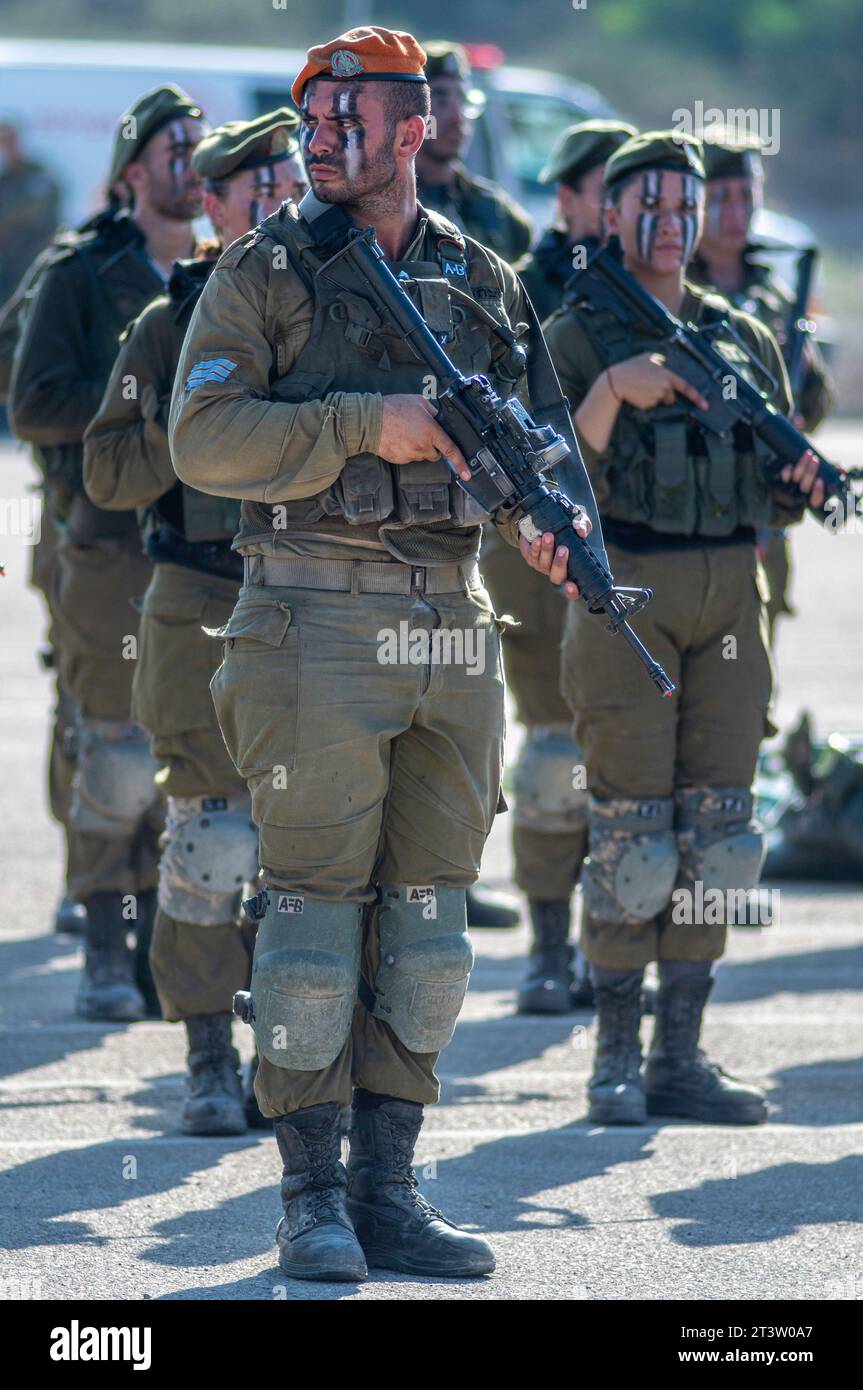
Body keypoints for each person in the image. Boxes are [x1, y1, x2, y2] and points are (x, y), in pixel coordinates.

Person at [169, 25, 589, 1282]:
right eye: (311, 117)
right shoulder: (264, 269)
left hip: (451, 621)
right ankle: (310, 1202)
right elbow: (202, 438)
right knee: (308, 922)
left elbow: (548, 442)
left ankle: (390, 1191)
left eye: (346, 116)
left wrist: (550, 523)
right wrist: (373, 424)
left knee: (428, 927)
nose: (320, 137)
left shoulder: (479, 273)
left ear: (412, 129)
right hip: (311, 614)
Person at [537, 132, 825, 1126]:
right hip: (628, 592)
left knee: (717, 836)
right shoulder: (575, 332)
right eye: (646, 205)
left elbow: (772, 488)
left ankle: (679, 1057)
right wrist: (612, 391)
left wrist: (794, 481)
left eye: (684, 206)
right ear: (610, 216)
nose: (668, 223)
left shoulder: (738, 335)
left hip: (728, 596)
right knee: (631, 835)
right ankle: (613, 1055)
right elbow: (543, 476)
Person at [83, 110, 305, 1132]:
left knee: (307, 851)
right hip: (197, 596)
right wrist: (200, 433)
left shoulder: (336, 308)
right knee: (212, 841)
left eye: (285, 183)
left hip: (312, 600)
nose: (270, 202)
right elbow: (104, 469)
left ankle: (291, 1058)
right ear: (209, 206)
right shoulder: (166, 324)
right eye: (247, 188)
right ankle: (208, 1057)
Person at [9, 85, 206, 1021]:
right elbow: (34, 404)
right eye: (174, 150)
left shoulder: (226, 271)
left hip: (200, 547)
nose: (192, 164)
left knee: (187, 759)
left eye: (199, 149)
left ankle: (162, 943)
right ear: (132, 172)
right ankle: (101, 944)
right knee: (113, 754)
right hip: (102, 542)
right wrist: (138, 407)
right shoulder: (82, 274)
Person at [484, 120, 637, 1015]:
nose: (625, 208)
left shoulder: (657, 294)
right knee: (549, 751)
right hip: (537, 551)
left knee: (620, 759)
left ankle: (606, 946)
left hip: (635, 550)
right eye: (605, 189)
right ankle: (549, 947)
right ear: (570, 199)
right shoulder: (523, 291)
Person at [689, 129, 834, 635]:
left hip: (766, 500)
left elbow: (816, 396)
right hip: (690, 499)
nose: (735, 213)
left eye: (746, 196)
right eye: (720, 198)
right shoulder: (675, 291)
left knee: (755, 641)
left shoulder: (773, 296)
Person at [415, 41, 533, 264]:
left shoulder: (495, 211)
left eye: (462, 98)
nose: (457, 116)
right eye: (439, 99)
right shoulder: (392, 210)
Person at [516, 118, 635, 323]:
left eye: (631, 192)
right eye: (608, 192)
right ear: (568, 201)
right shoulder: (521, 290)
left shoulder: (654, 278)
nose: (621, 205)